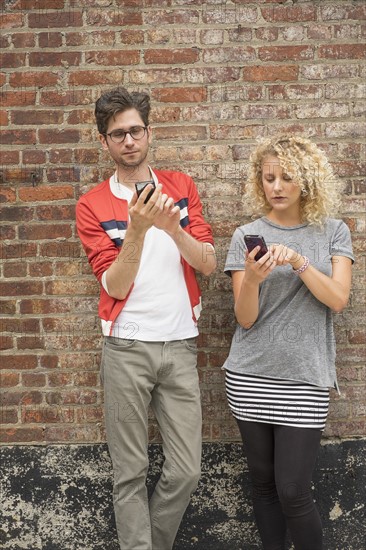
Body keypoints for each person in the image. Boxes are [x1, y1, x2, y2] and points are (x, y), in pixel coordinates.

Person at [76, 87, 216, 550]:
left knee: (186, 469)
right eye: (118, 134)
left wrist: (172, 227)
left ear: (148, 132)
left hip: (179, 344)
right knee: (129, 472)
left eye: (135, 130)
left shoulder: (181, 188)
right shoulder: (92, 205)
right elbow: (114, 286)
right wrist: (135, 229)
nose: (129, 141)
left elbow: (208, 263)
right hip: (126, 348)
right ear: (105, 143)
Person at [223, 135, 353, 550]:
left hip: (305, 378)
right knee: (263, 485)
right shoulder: (246, 235)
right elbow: (245, 318)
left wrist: (298, 261)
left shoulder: (333, 232)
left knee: (294, 490)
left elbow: (337, 299)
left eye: (287, 177)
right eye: (269, 178)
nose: (276, 186)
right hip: (250, 375)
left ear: (307, 180)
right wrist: (254, 279)